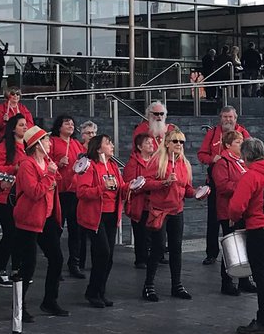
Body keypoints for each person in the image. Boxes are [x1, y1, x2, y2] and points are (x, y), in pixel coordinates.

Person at [227, 138, 264, 334]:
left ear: (246, 156)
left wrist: (234, 218)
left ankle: (262, 321)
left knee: (261, 276)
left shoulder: (251, 176)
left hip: (258, 228)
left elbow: (237, 206)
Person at [12, 125, 68, 318]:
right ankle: (20, 305)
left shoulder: (47, 161)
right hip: (29, 219)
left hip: (47, 218)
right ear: (37, 145)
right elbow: (34, 192)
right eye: (45, 140)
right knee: (28, 265)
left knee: (57, 259)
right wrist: (50, 176)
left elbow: (55, 180)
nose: (49, 143)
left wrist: (52, 173)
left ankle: (50, 300)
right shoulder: (27, 164)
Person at [141, 129, 195, 302]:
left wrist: (197, 193)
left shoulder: (184, 163)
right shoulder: (157, 161)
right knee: (157, 248)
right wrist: (163, 183)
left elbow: (186, 188)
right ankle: (148, 284)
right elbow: (145, 183)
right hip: (160, 209)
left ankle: (176, 284)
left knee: (176, 248)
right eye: (175, 141)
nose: (179, 145)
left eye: (181, 142)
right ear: (167, 143)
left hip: (176, 209)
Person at [74, 133, 125, 308]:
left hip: (111, 214)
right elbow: (81, 192)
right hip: (95, 215)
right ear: (98, 148)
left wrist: (130, 187)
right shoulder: (90, 167)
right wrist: (101, 188)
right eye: (108, 143)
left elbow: (120, 187)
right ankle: (92, 290)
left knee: (108, 256)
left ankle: (100, 291)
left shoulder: (112, 165)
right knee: (102, 252)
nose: (111, 145)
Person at [197, 107, 250, 265]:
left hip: (238, 176)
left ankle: (238, 257)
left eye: (231, 117)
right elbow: (201, 154)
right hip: (216, 178)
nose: (228, 119)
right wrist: (214, 158)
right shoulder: (212, 133)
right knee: (213, 218)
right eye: (225, 117)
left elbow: (252, 153)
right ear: (220, 118)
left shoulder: (243, 133)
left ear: (236, 118)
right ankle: (212, 252)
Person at [0, 113, 27, 287]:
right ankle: (2, 270)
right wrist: (14, 168)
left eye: (26, 125)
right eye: (21, 125)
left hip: (21, 196)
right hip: (4, 196)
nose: (25, 127)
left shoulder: (28, 146)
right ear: (13, 129)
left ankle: (17, 269)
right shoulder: (4, 147)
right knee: (9, 232)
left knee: (19, 234)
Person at [210, 129, 249, 296]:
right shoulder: (222, 163)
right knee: (231, 245)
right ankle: (227, 281)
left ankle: (244, 280)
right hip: (228, 210)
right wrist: (243, 186)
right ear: (227, 145)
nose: (241, 145)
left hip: (244, 209)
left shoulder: (242, 161)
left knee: (244, 245)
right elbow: (222, 186)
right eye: (238, 142)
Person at [49, 114, 87, 279]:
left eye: (72, 123)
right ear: (59, 127)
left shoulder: (77, 144)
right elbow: (46, 163)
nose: (71, 125)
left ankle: (74, 263)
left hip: (75, 191)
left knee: (76, 230)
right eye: (67, 123)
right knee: (57, 228)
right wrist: (58, 164)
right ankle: (55, 263)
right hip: (60, 190)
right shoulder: (52, 142)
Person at [123, 133, 158, 270]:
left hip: (154, 202)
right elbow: (129, 184)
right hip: (140, 202)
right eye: (147, 143)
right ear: (139, 146)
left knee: (154, 232)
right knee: (141, 233)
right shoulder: (133, 163)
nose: (151, 145)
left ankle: (154, 256)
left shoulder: (156, 161)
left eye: (151, 142)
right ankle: (141, 258)